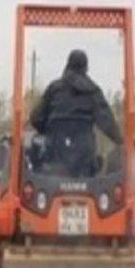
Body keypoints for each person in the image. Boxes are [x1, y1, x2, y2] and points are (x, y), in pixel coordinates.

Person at [29, 49, 122, 177]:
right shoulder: (93, 91)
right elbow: (107, 122)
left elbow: (35, 119)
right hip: (84, 161)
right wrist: (122, 140)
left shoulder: (54, 89)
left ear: (67, 65)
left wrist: (47, 129)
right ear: (86, 68)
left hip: (54, 158)